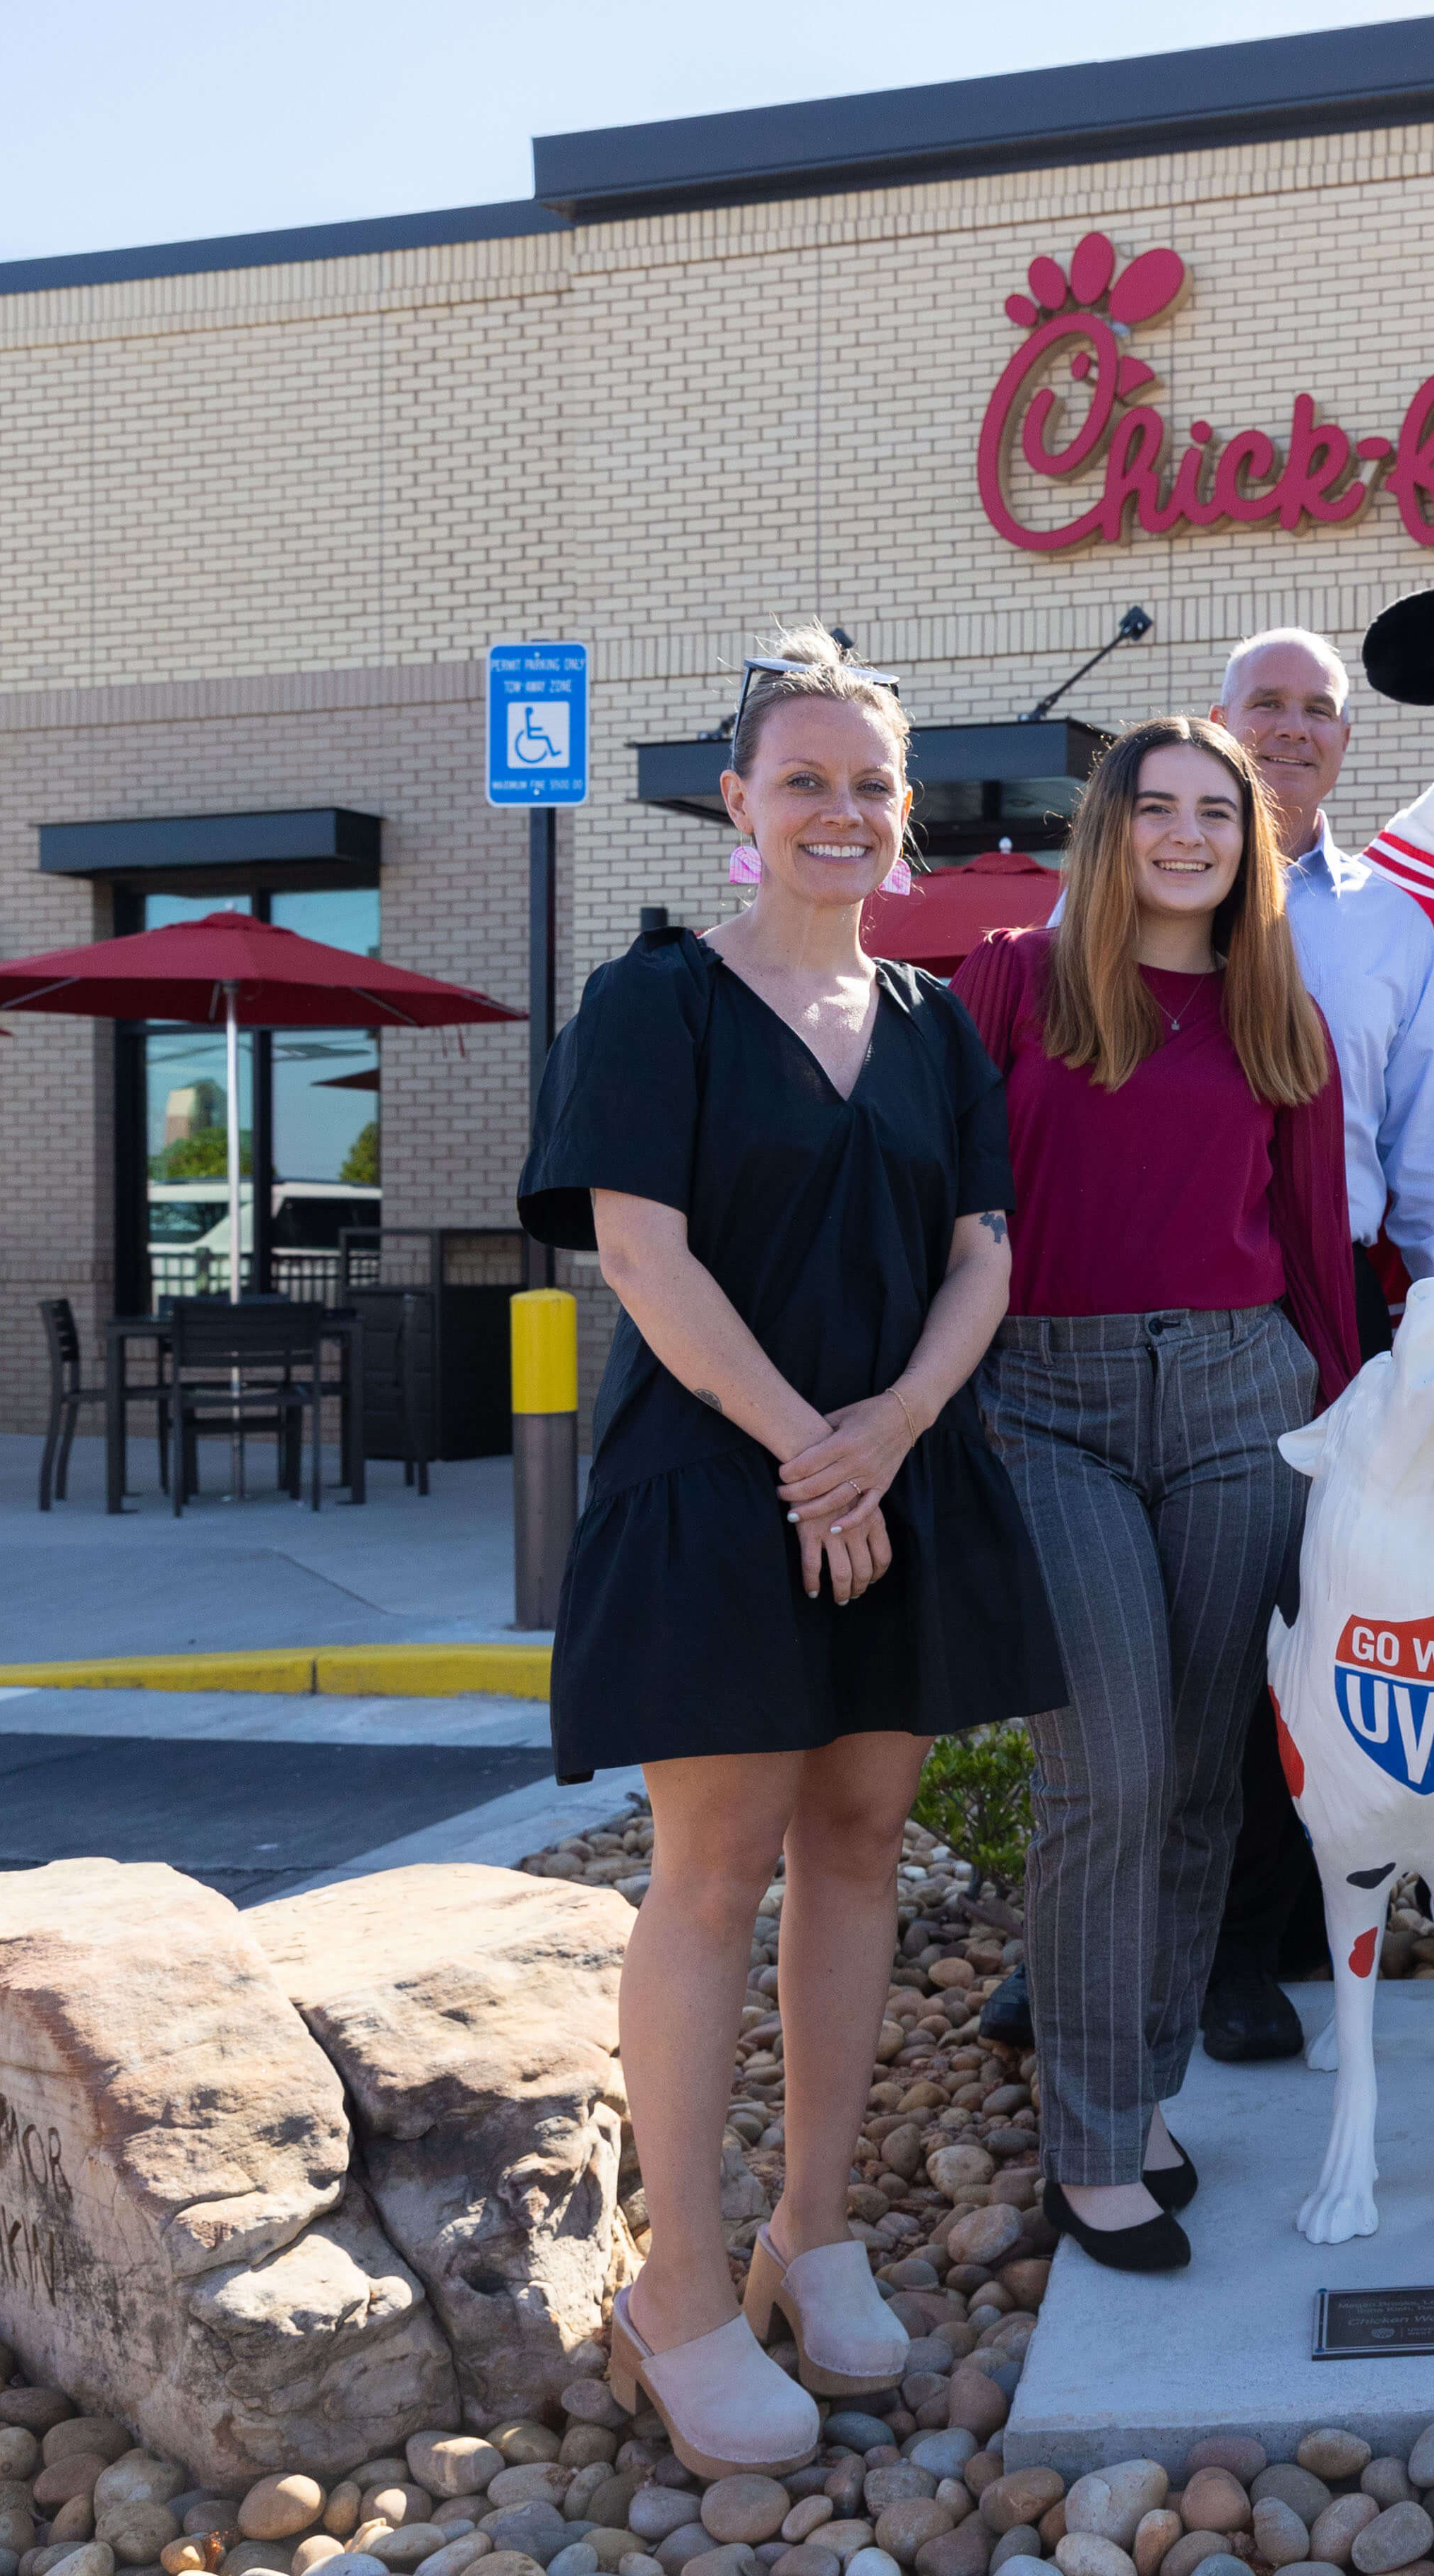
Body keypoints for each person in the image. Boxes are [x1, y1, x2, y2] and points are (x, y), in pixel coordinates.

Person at [518, 631, 1065, 2476]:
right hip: (714, 1485)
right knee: (710, 1869)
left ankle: (807, 2229)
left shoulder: (932, 1028)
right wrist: (805, 1452)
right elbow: (642, 1257)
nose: (844, 808)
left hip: (897, 1478)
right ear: (738, 804)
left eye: (872, 783)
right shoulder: (654, 1002)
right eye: (806, 778)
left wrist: (890, 1434)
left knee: (858, 1846)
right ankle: (675, 2286)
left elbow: (983, 1254)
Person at [951, 714, 1358, 2276]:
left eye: (1217, 814)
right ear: (1108, 829)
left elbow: (1317, 1251)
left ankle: (1139, 2085)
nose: (1186, 837)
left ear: (1248, 842)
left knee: (1199, 1779)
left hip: (1241, 1403)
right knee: (1107, 1774)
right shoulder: (1011, 979)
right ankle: (1091, 2141)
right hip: (1042, 1403)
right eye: (1158, 809)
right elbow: (948, 1206)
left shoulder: (1278, 1014)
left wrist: (1340, 1427)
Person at [1198, 628, 1434, 2062]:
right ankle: (1144, 1937)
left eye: (1321, 711)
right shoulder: (1145, 894)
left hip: (1340, 1311)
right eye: (1270, 704)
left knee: (1318, 1628)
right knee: (1168, 1640)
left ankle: (1289, 1931)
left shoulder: (1387, 926)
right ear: (1217, 721)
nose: (1296, 730)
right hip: (1171, 1296)